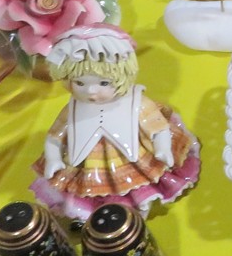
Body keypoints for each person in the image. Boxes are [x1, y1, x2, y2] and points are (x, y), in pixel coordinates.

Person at [32, 25, 200, 223]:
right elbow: (55, 137)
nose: (91, 92)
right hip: (89, 165)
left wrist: (162, 148)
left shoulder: (136, 103)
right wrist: (53, 158)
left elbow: (158, 128)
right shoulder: (73, 108)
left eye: (104, 83)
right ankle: (96, 209)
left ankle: (140, 202)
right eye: (80, 83)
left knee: (139, 182)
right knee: (91, 188)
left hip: (134, 157)